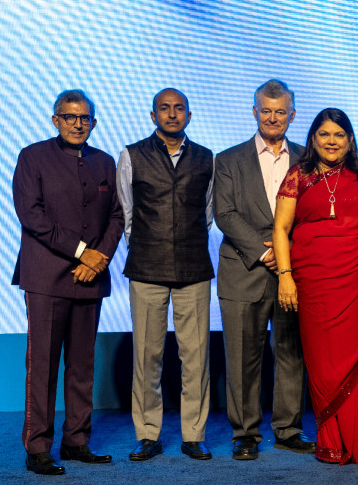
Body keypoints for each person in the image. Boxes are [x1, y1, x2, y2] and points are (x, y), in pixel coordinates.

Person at [273, 108, 358, 464]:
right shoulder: (298, 175)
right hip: (313, 281)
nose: (331, 141)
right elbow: (281, 230)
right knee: (323, 362)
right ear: (313, 139)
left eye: (338, 135)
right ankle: (332, 439)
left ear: (350, 140)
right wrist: (285, 276)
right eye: (324, 134)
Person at [12, 89, 123, 475]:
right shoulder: (32, 156)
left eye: (85, 117)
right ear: (55, 120)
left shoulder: (105, 162)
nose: (78, 123)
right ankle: (38, 447)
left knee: (82, 365)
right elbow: (31, 214)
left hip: (91, 276)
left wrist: (100, 257)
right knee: (42, 364)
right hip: (46, 276)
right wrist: (83, 252)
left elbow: (116, 218)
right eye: (70, 117)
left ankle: (77, 441)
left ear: (94, 121)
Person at [214, 79, 313, 460]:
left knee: (291, 353)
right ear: (254, 112)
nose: (273, 118)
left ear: (292, 114)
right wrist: (264, 251)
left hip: (293, 272)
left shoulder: (309, 159)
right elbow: (224, 213)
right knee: (242, 357)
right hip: (244, 270)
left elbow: (314, 214)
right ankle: (245, 433)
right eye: (266, 110)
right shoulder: (227, 159)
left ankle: (288, 430)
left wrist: (287, 252)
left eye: (280, 111)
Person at [117, 89, 214, 461]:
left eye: (179, 109)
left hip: (193, 267)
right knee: (147, 356)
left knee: (196, 356)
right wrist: (147, 245)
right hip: (145, 267)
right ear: (152, 115)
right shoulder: (131, 155)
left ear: (189, 116)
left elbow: (205, 212)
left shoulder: (207, 158)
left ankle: (194, 435)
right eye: (164, 109)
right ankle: (147, 434)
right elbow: (127, 213)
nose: (172, 115)